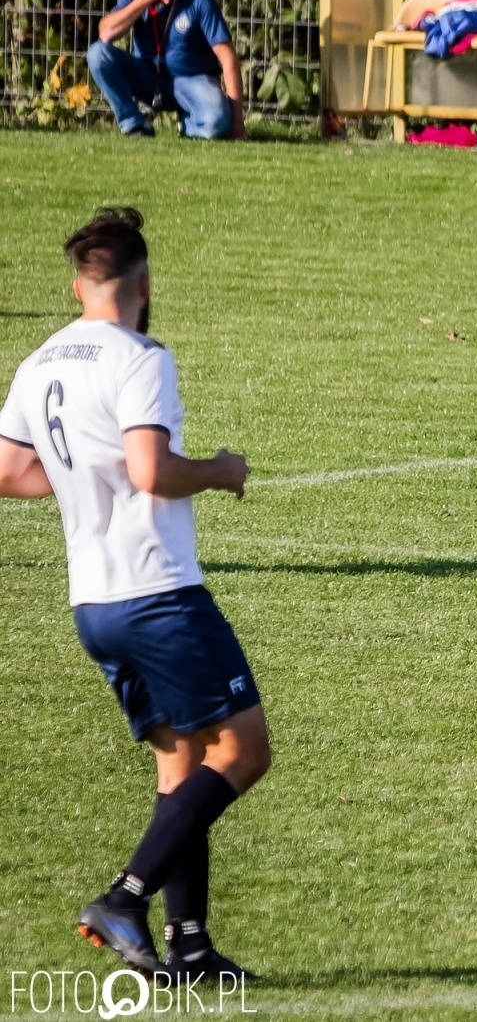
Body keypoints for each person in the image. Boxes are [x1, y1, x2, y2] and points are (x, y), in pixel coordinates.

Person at [0, 208, 270, 979]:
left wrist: (83, 481)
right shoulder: (139, 357)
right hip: (157, 593)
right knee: (245, 750)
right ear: (143, 283)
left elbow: (8, 472)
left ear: (79, 284)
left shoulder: (38, 361)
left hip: (94, 603)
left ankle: (190, 944)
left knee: (182, 763)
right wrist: (220, 469)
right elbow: (151, 471)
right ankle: (125, 895)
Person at [88, 0, 244, 139]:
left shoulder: (200, 1)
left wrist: (237, 123)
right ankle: (134, 126)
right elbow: (106, 33)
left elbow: (228, 59)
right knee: (97, 53)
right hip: (148, 78)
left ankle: (188, 126)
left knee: (216, 123)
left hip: (193, 81)